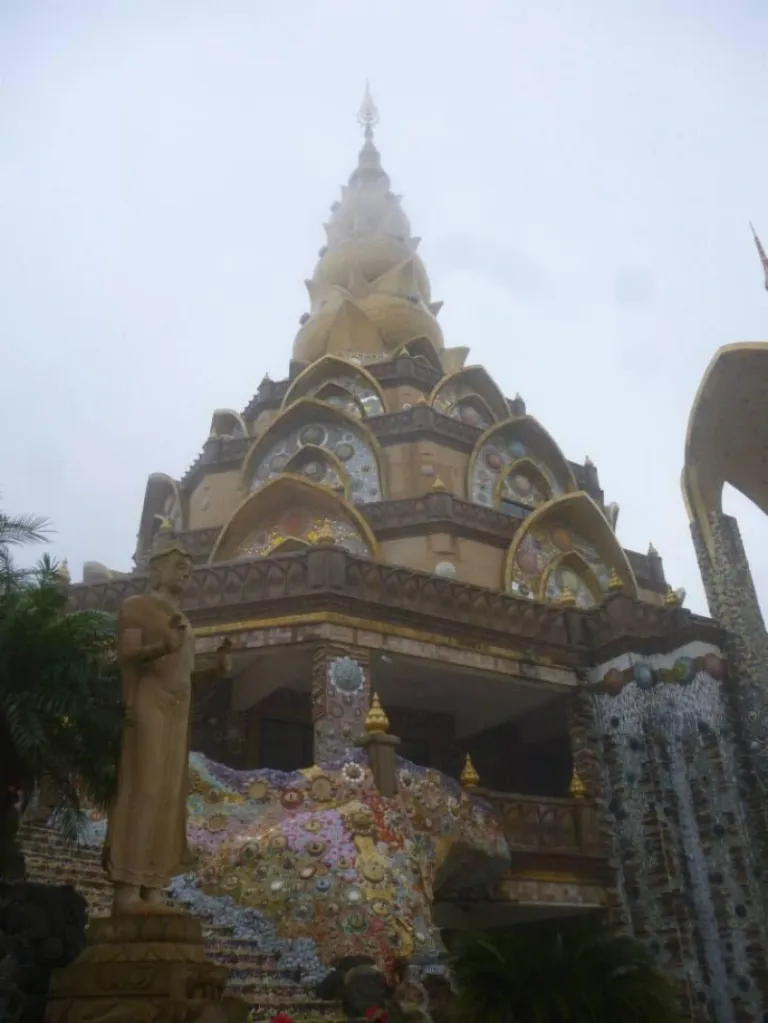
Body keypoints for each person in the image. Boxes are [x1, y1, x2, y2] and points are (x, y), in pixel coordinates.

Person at [103, 541, 231, 914]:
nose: (185, 573)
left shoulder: (183, 620)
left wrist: (215, 669)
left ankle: (154, 886)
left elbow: (185, 673)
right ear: (156, 570)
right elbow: (126, 655)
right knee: (143, 787)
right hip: (149, 700)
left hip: (178, 708)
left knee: (169, 795)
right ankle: (127, 887)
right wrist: (163, 646)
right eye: (178, 566)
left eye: (189, 569)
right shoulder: (137, 607)